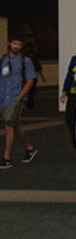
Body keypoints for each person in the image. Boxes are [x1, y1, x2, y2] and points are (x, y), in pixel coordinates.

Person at [0, 35, 38, 168]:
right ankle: (29, 147)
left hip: (15, 97)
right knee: (14, 125)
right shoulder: (3, 60)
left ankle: (7, 158)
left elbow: (30, 80)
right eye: (15, 43)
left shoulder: (25, 61)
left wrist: (19, 97)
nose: (17, 46)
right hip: (3, 97)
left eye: (19, 45)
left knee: (8, 125)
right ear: (9, 43)